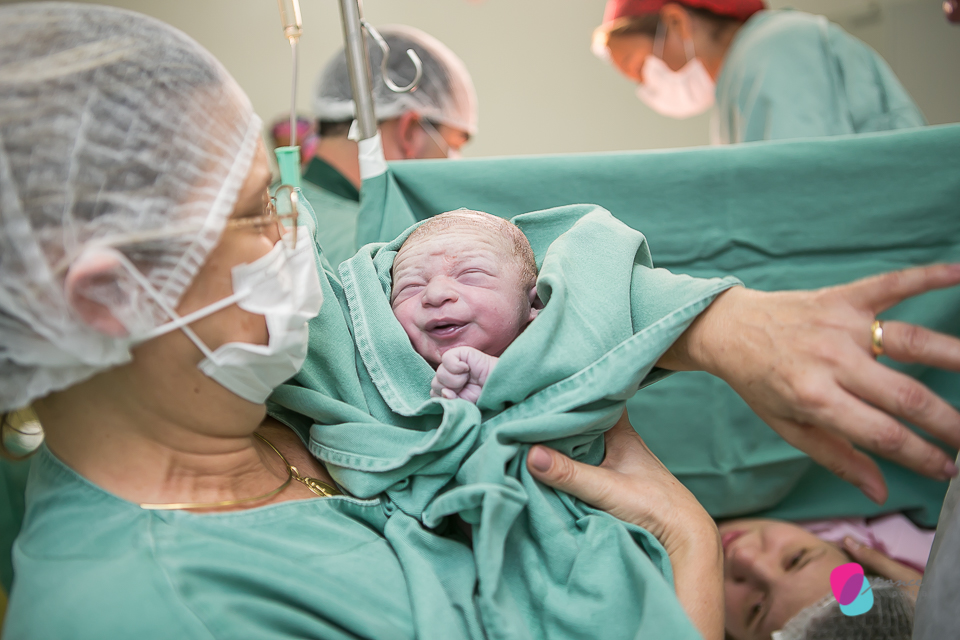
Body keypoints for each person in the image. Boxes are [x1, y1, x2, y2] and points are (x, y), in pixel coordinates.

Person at [3, 4, 960, 638]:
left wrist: (715, 323)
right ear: (108, 294)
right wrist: (689, 556)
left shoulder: (273, 370)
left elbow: (526, 268)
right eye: (261, 210)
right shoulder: (150, 610)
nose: (304, 235)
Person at [592, 0, 926, 144]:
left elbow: (803, 193)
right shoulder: (739, 78)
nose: (647, 87)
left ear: (676, 22)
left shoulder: (774, 48)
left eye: (639, 68)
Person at [305, 25, 477, 267]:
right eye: (453, 145)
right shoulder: (380, 255)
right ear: (409, 131)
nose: (455, 160)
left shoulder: (274, 209)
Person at [389, 210, 540, 401]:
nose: (435, 295)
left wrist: (512, 379)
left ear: (534, 301)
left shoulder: (565, 352)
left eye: (470, 275)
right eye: (412, 286)